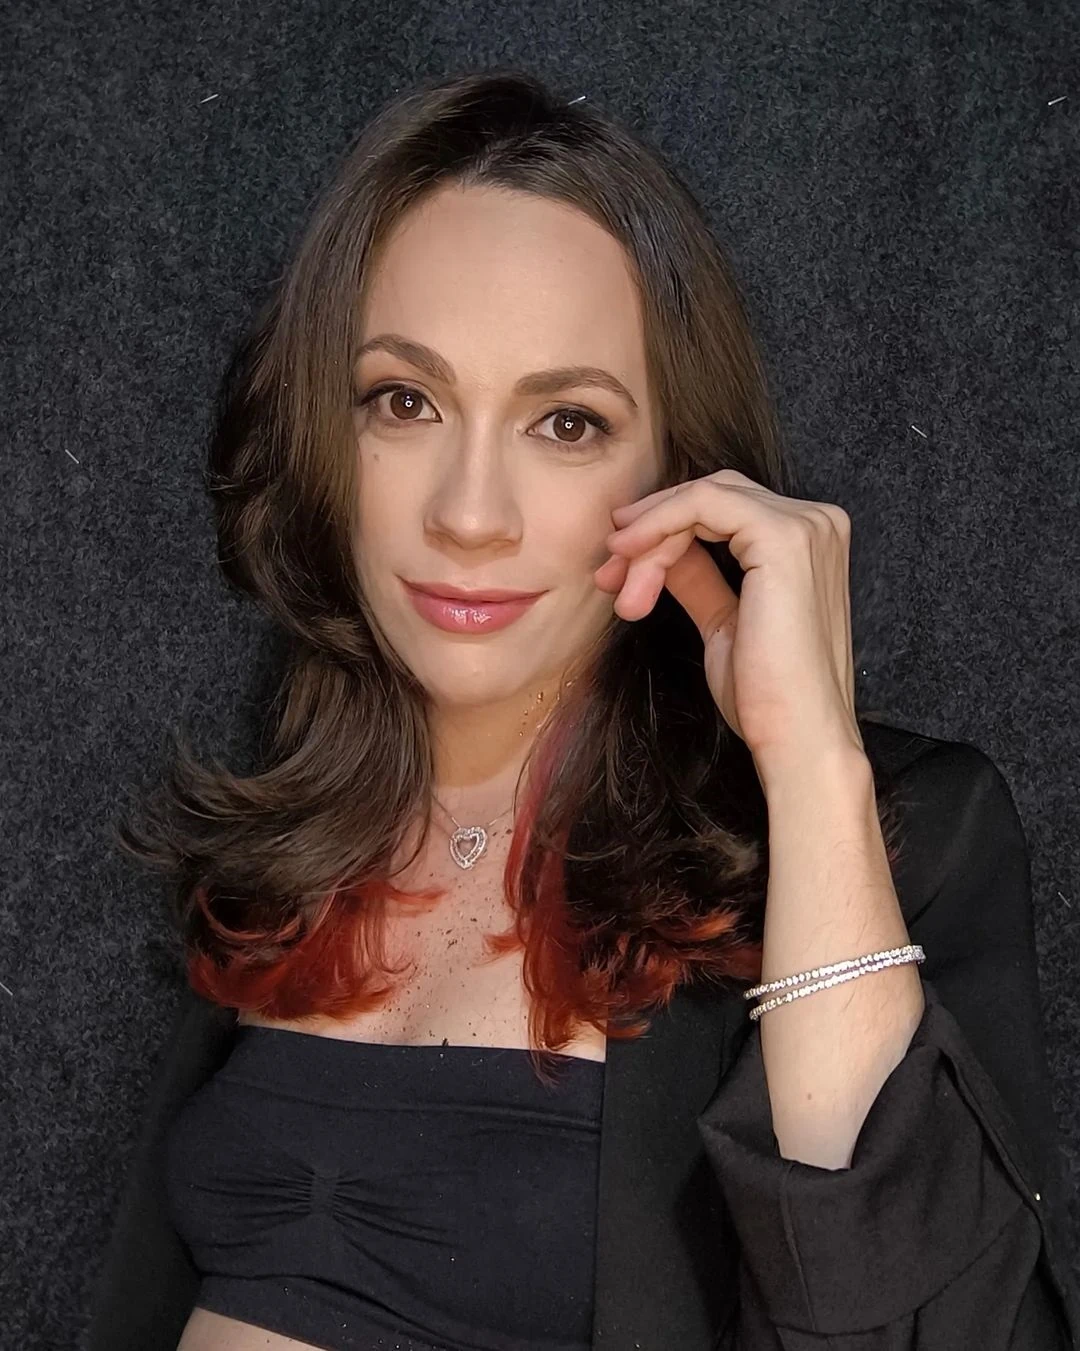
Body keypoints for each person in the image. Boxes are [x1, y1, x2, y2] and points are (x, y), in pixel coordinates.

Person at [87, 68, 1079, 1351]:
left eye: (566, 421)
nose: (469, 512)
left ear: (679, 477)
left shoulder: (886, 836)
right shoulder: (281, 845)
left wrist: (812, 770)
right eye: (405, 401)